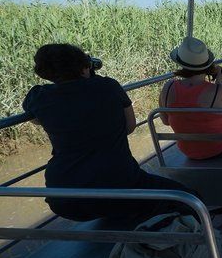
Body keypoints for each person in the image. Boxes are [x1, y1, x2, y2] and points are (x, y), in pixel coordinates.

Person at [22, 43, 197, 222]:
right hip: (120, 186)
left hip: (63, 198)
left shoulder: (38, 96)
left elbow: (37, 120)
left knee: (112, 205)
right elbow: (130, 126)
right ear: (83, 66)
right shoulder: (108, 86)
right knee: (190, 199)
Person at [159, 36, 222, 160]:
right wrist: (219, 83)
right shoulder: (219, 91)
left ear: (181, 63)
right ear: (208, 65)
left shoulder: (168, 88)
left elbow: (165, 121)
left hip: (189, 151)